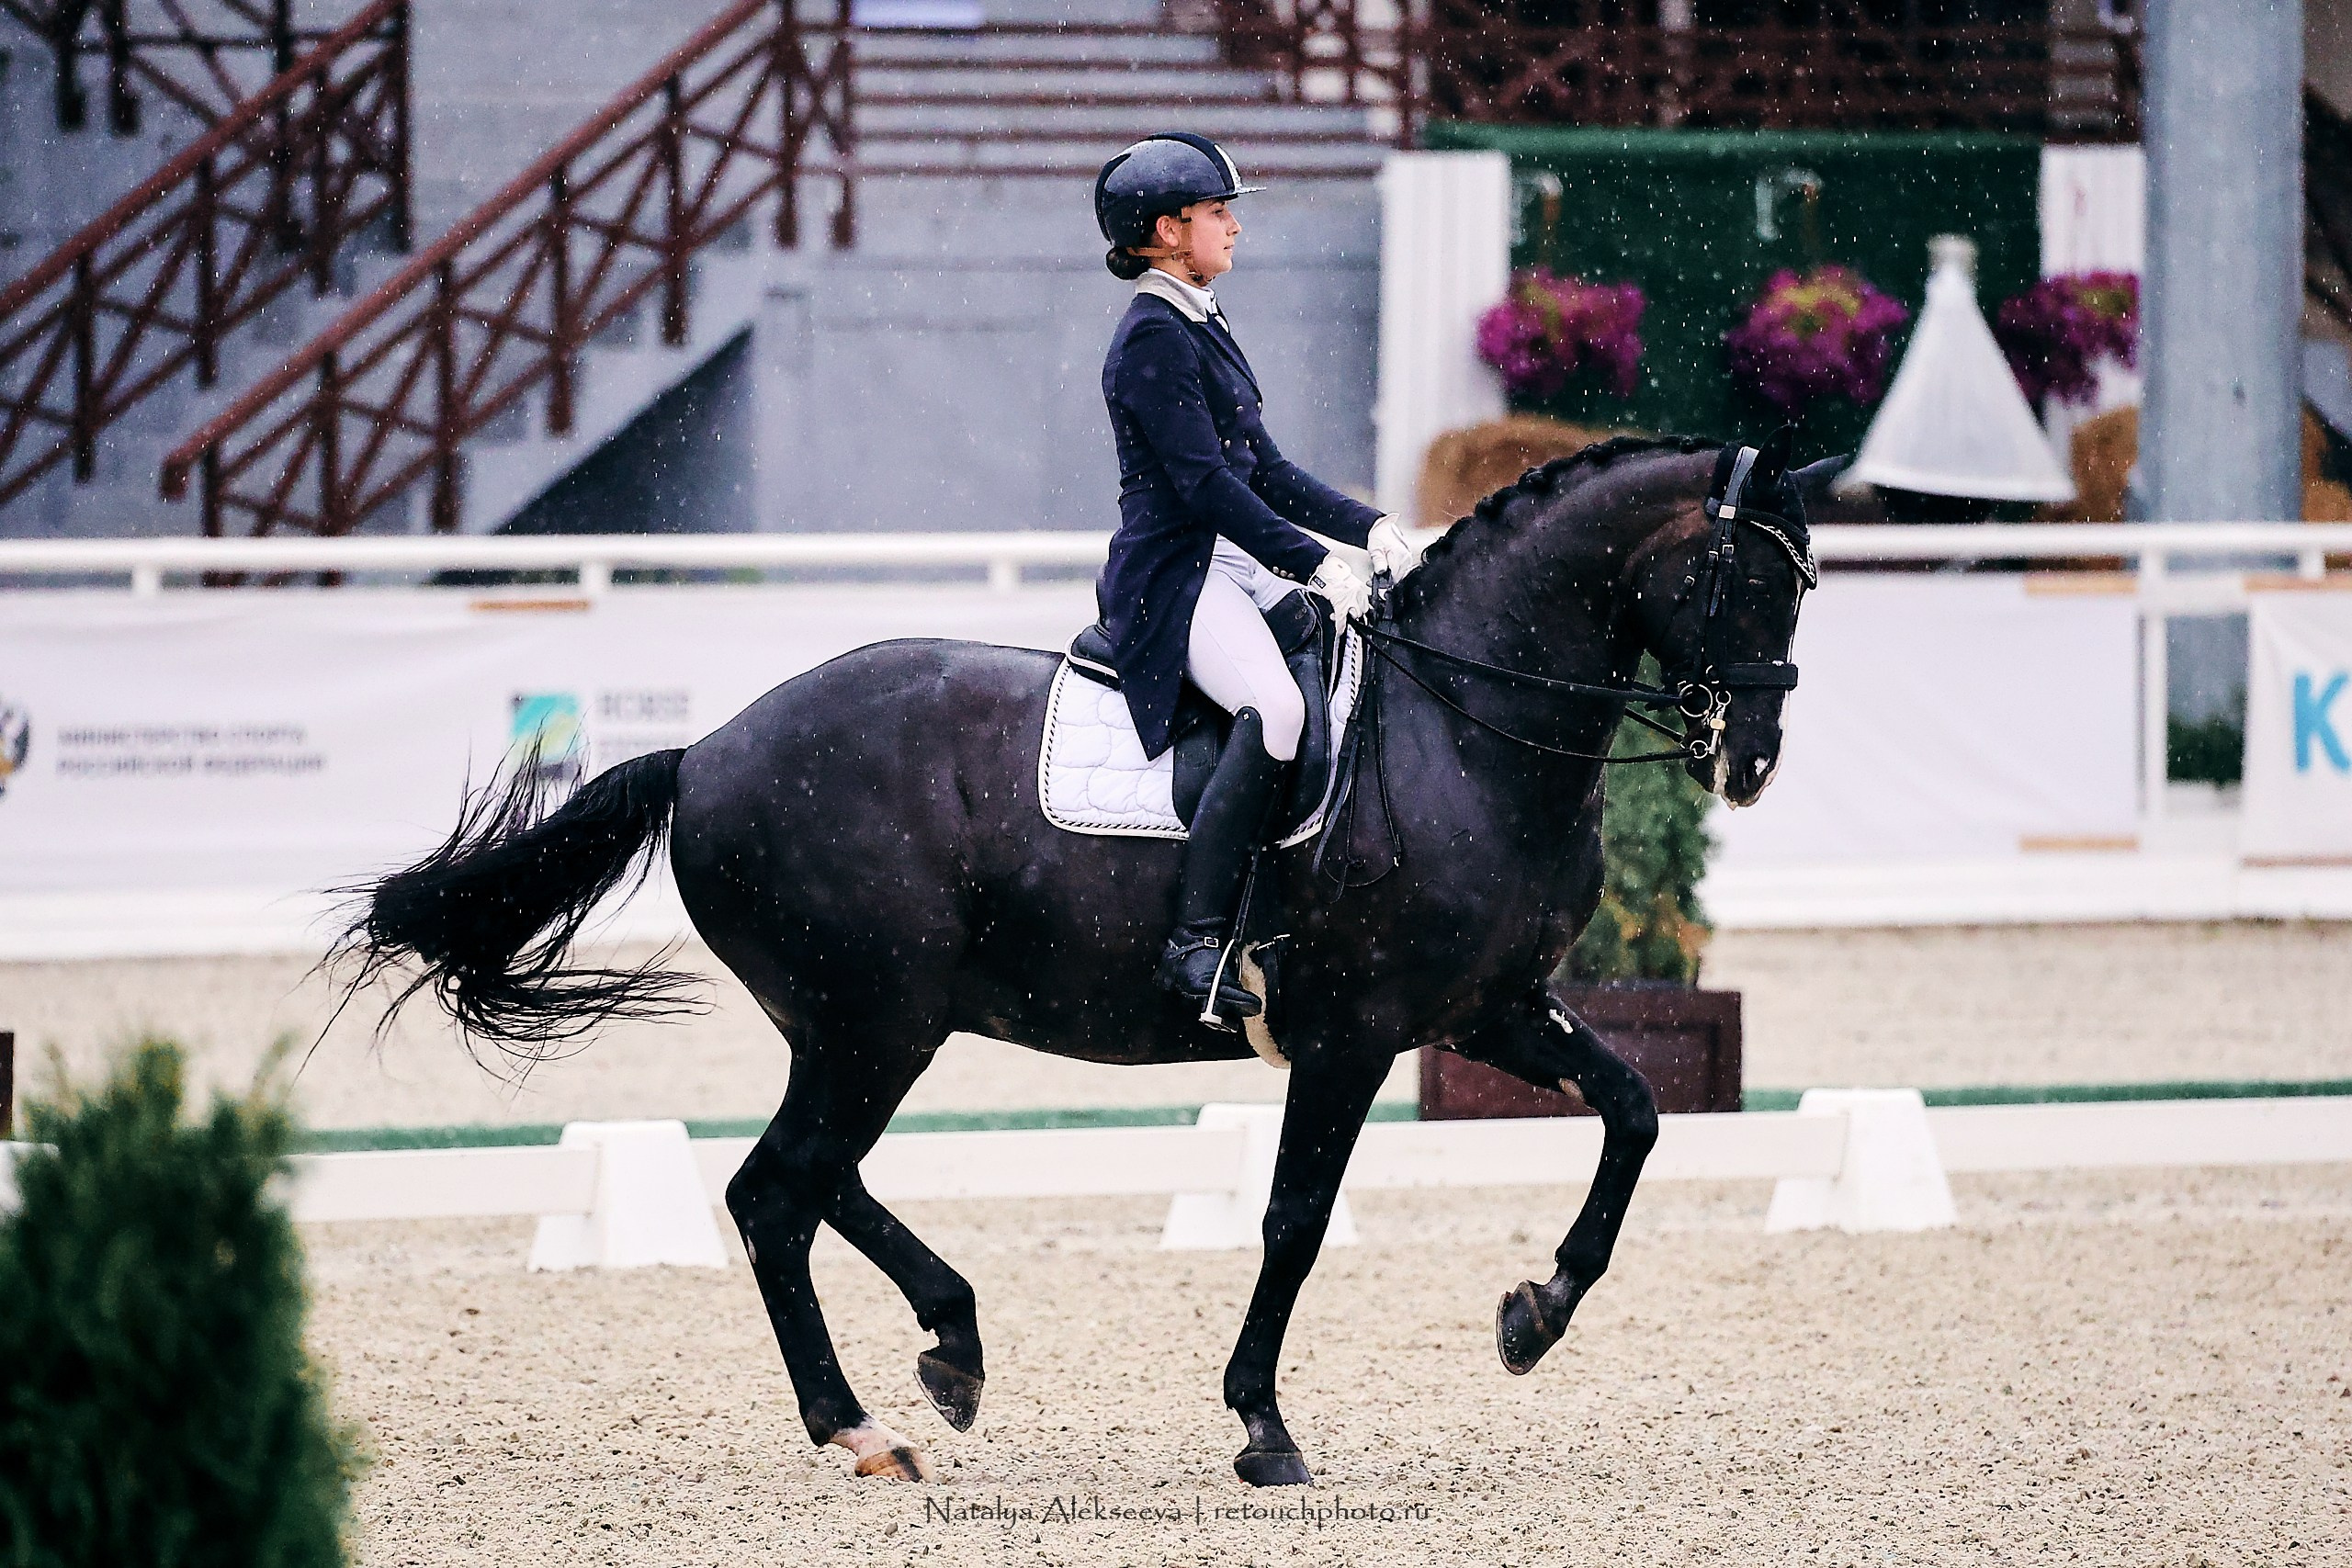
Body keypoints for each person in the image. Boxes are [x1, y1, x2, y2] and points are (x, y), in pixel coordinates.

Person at [1091, 131, 1422, 1027]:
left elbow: (1265, 470)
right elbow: (1203, 487)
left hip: (1226, 558)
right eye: (1218, 212)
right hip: (1175, 573)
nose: (1234, 226)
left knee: (1340, 663)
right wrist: (1314, 561)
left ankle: (1283, 914)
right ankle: (1195, 943)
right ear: (1166, 231)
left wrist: (1371, 528)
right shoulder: (1152, 338)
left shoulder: (1203, 319)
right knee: (1276, 711)